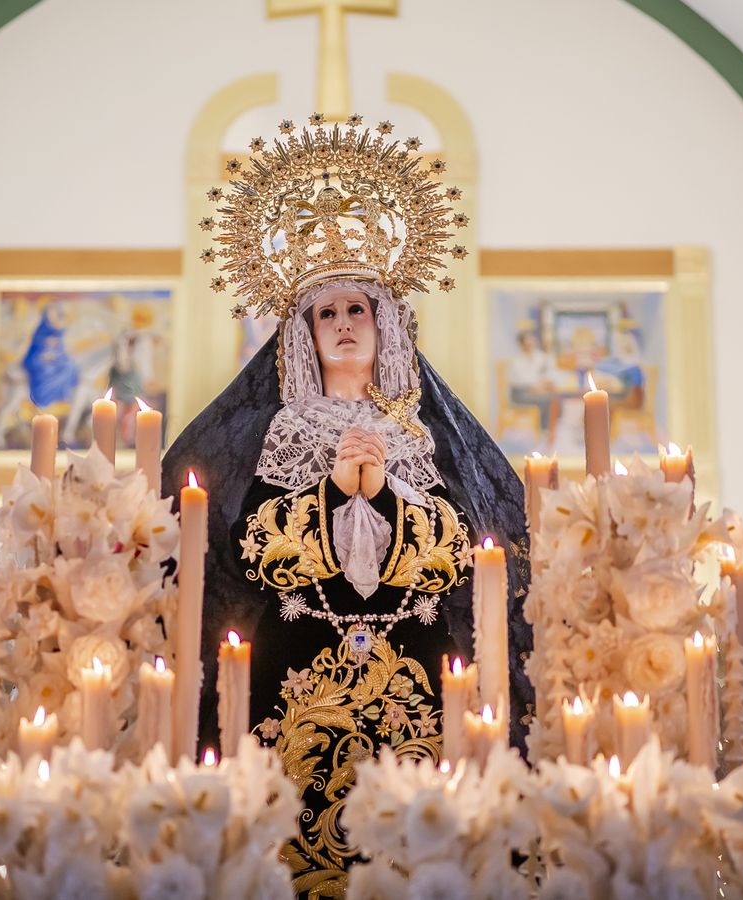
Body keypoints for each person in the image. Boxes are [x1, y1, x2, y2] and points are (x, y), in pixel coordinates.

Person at [162, 115, 531, 897]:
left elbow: (462, 555)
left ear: (384, 321)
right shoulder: (284, 432)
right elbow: (255, 548)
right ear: (301, 334)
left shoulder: (423, 438)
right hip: (295, 675)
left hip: (421, 676)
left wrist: (386, 500)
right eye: (323, 314)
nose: (341, 325)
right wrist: (334, 493)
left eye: (355, 309)